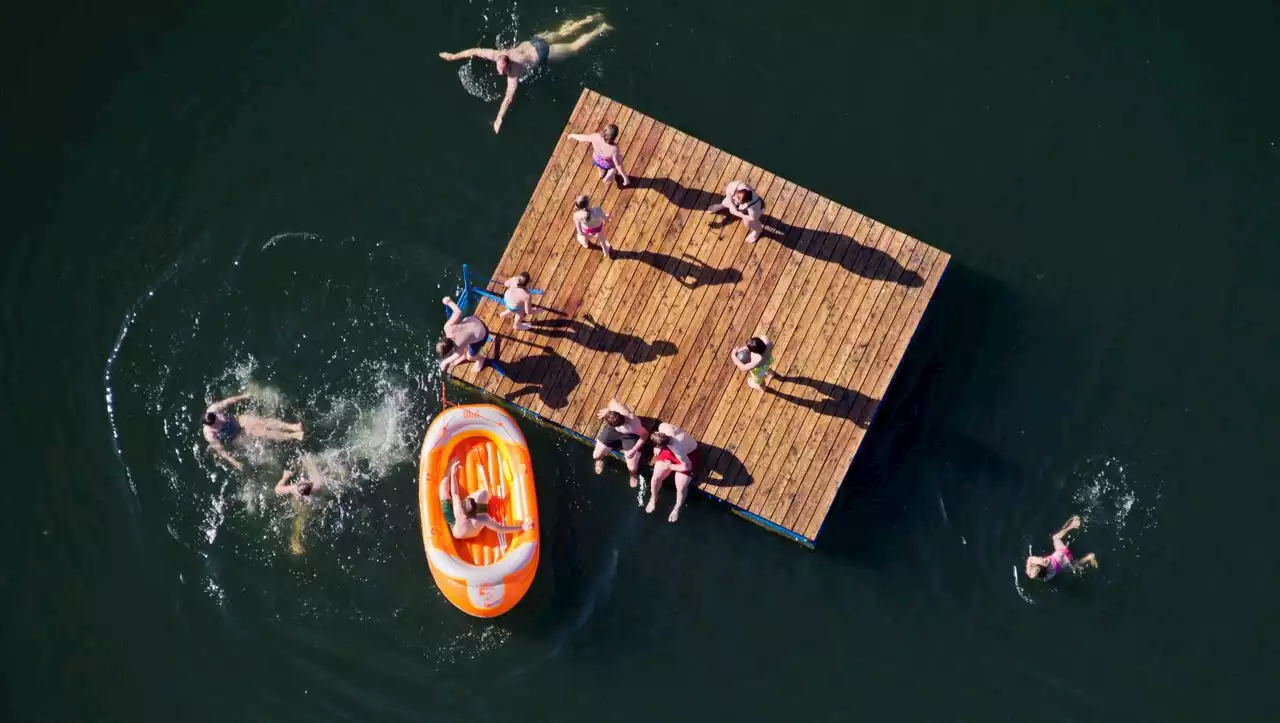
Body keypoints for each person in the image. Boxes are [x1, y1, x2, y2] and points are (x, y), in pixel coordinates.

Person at [438, 14, 612, 133]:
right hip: (535, 41)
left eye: (503, 71)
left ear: (508, 66)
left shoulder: (513, 73)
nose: (500, 73)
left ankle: (599, 28)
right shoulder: (496, 55)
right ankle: (589, 19)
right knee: (561, 32)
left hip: (543, 53)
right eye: (499, 70)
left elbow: (508, 98)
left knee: (574, 48)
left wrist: (499, 118)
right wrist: (453, 56)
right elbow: (474, 51)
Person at [201, 392, 304, 470]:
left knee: (263, 422)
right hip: (236, 437)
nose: (219, 419)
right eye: (216, 421)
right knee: (263, 433)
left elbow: (228, 401)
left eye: (216, 417)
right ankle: (293, 436)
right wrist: (234, 461)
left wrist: (244, 396)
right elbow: (221, 450)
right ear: (211, 425)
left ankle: (292, 427)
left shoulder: (213, 409)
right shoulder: (210, 434)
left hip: (238, 421)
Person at [439, 459, 535, 539]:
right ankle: (449, 469)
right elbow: (500, 528)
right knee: (484, 493)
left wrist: (453, 473)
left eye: (462, 504)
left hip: (456, 529)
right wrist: (522, 527)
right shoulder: (482, 518)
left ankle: (449, 468)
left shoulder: (459, 512)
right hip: (466, 530)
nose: (461, 504)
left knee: (443, 488)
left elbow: (455, 493)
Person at [646, 423, 700, 523]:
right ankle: (653, 498)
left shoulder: (678, 449)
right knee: (655, 479)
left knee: (681, 488)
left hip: (688, 456)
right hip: (670, 450)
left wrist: (670, 466)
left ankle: (677, 507)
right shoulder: (663, 428)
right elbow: (661, 435)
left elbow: (687, 466)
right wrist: (658, 447)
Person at [275, 454, 327, 554]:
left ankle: (294, 540)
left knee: (300, 517)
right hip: (303, 503)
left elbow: (277, 489)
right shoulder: (315, 486)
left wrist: (284, 477)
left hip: (298, 501)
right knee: (301, 517)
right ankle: (294, 541)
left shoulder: (293, 488)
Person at [592, 398, 649, 487]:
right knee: (596, 455)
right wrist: (608, 411)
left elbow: (645, 435)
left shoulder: (633, 424)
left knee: (632, 466)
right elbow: (612, 401)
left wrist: (633, 450)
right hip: (614, 430)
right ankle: (600, 460)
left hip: (630, 434)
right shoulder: (615, 407)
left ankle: (632, 475)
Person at [1025, 515, 1099, 580]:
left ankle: (1089, 557)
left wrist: (1033, 573)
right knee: (1055, 538)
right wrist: (1029, 568)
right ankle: (1072, 525)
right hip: (1062, 550)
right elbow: (1030, 559)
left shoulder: (1047, 576)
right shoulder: (1043, 561)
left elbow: (1052, 571)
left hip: (1068, 559)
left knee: (1075, 564)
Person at [437, 296, 490, 374]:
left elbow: (457, 354)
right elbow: (458, 312)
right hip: (476, 321)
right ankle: (465, 355)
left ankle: (481, 359)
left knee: (470, 357)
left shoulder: (458, 346)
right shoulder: (447, 327)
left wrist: (444, 362)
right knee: (465, 340)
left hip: (483, 334)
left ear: (449, 351)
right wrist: (449, 302)